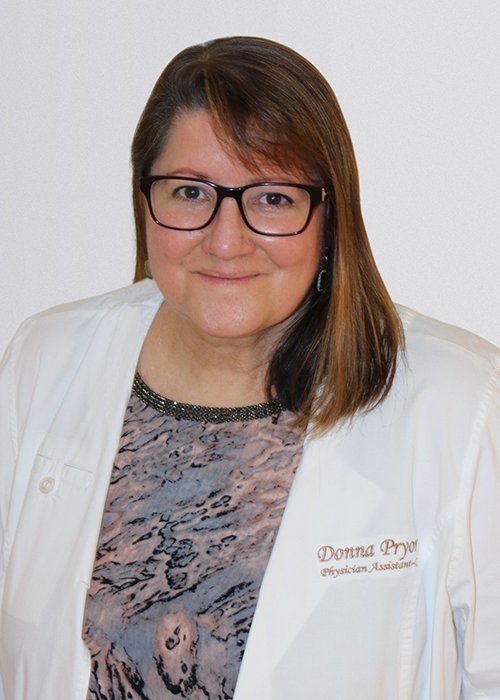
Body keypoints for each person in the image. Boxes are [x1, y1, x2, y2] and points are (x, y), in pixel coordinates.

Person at [0, 35, 499, 700]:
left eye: (271, 198)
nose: (226, 240)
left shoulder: (459, 399)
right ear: (144, 203)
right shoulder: (44, 360)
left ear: (329, 216)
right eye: (189, 191)